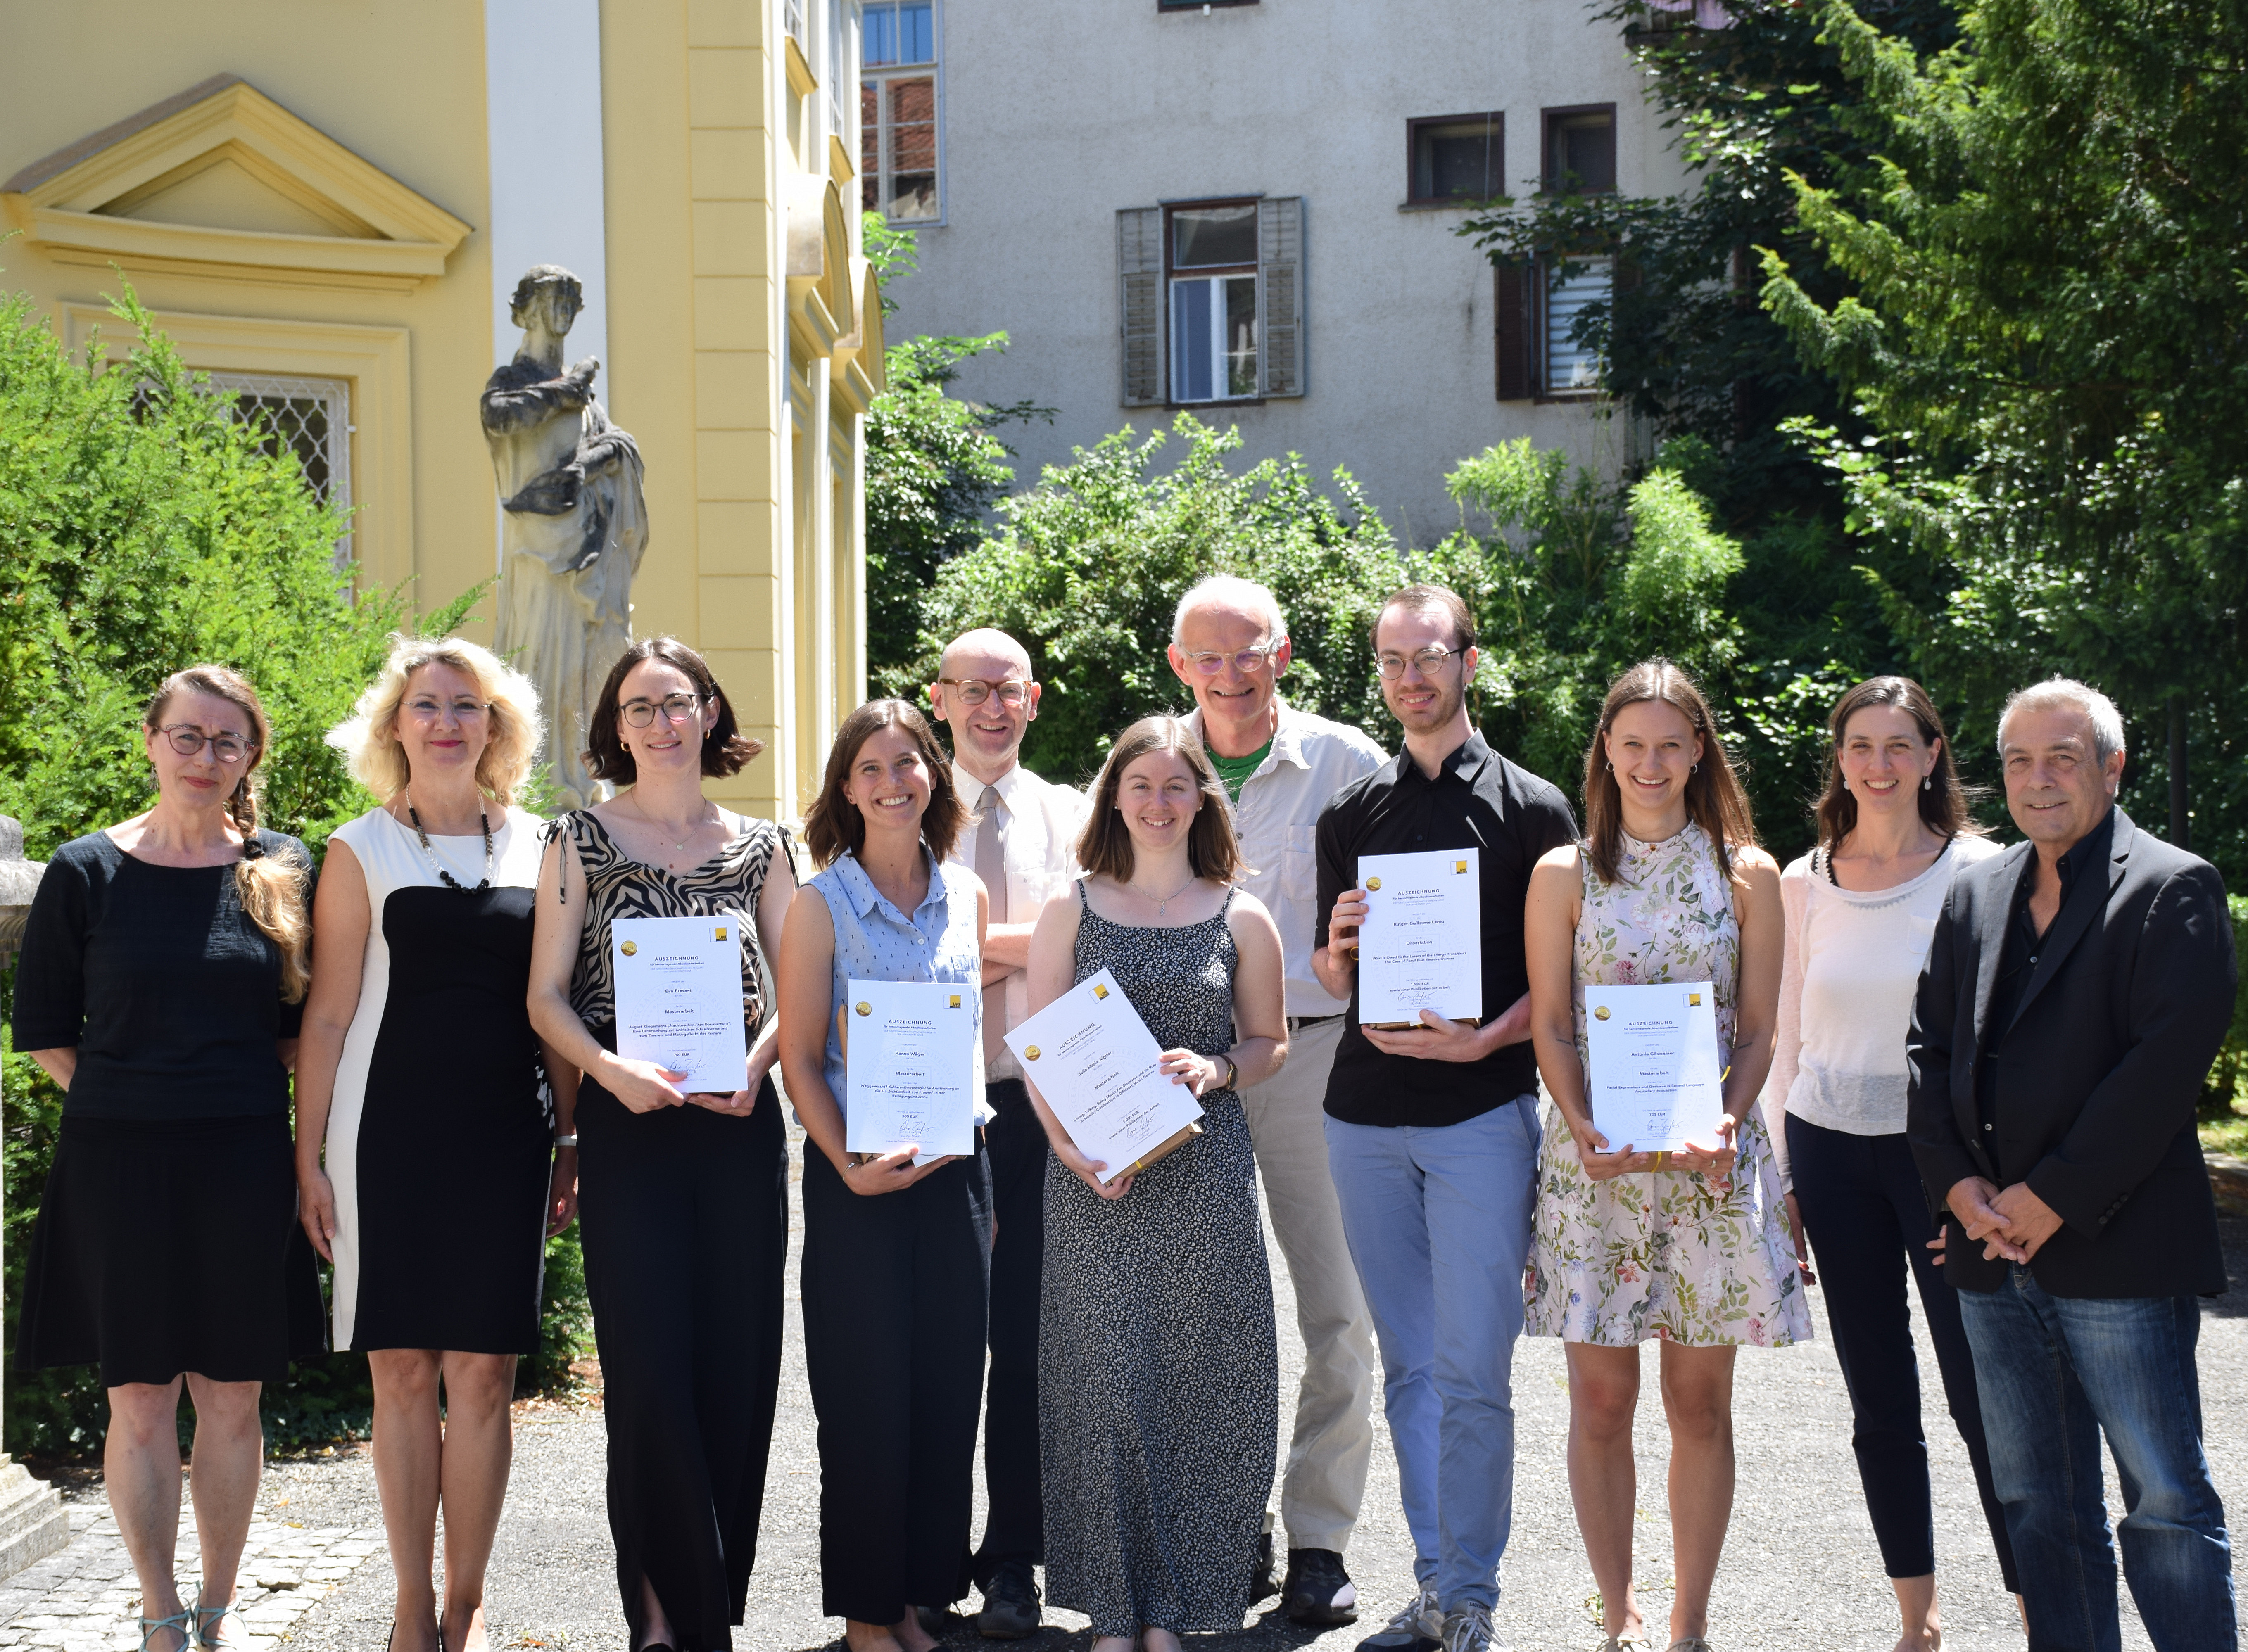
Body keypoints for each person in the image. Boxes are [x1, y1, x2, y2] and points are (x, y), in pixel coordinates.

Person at [1908, 676, 2238, 1651]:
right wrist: (1961, 1190)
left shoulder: (2173, 884)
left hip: (2118, 1253)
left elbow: (2164, 1066)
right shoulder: (1977, 889)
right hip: (1991, 1257)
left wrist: (2050, 1195)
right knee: (2039, 1505)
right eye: (2018, 760)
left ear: (2112, 765)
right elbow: (1929, 1049)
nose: (2039, 780)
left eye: (2061, 757)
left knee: (2165, 1504)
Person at [13, 666, 321, 1652]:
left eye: (227, 742)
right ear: (151, 742)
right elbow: (50, 1031)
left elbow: (298, 1028)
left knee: (232, 1393)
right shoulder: (83, 870)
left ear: (249, 758)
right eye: (187, 737)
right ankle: (158, 1611)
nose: (206, 758)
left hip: (242, 1161)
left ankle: (221, 1609)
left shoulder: (281, 864)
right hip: (119, 1165)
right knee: (139, 1395)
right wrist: (137, 1098)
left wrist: (209, 1097)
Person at [294, 634, 574, 1652]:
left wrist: (573, 1137)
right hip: (385, 1138)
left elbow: (555, 1009)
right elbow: (326, 1016)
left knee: (486, 1375)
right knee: (403, 1371)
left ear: (496, 727)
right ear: (395, 726)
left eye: (468, 705)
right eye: (427, 705)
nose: (448, 721)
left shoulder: (544, 845)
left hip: (507, 1137)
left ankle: (469, 1601)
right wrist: (308, 1158)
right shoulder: (357, 848)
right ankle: (412, 1604)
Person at [1312, 586, 1578, 1652]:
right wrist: (1337, 949)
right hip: (1364, 1120)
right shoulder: (1352, 817)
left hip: (1481, 1114)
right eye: (1392, 660)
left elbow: (1564, 990)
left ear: (1471, 660)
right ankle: (1434, 1586)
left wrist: (1486, 1039)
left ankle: (1470, 1598)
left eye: (1429, 657)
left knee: (1474, 1369)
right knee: (1410, 1369)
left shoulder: (1534, 812)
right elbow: (1337, 977)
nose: (1411, 678)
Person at [1523, 658, 1804, 1652]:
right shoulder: (1563, 872)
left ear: (1698, 752)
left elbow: (1761, 1028)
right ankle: (1617, 1610)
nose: (1650, 762)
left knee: (1699, 1401)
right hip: (1594, 1164)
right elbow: (1552, 1026)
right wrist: (1584, 1121)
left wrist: (1728, 1116)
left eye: (1669, 744)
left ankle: (1689, 1619)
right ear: (1606, 748)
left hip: (1711, 1165)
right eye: (1631, 743)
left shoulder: (1748, 872)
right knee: (1601, 1399)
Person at [528, 638, 795, 1652]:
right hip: (629, 1129)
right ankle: (660, 1614)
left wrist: (760, 1062)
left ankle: (706, 1595)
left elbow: (795, 987)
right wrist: (608, 1075)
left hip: (735, 1129)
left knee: (737, 1362)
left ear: (712, 713)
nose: (662, 722)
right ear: (618, 725)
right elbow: (544, 996)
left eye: (678, 702)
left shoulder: (764, 845)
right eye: (641, 707)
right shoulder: (578, 839)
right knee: (647, 1370)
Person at [1762, 676, 2018, 1650]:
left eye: (1898, 745)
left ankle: (2039, 1601)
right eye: (1860, 745)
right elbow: (1786, 1039)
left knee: (1984, 1391)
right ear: (1840, 757)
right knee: (1881, 1398)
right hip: (1830, 1156)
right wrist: (1786, 1174)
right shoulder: (1802, 879)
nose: (1878, 764)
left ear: (1932, 754)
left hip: (1946, 1166)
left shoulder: (1985, 871)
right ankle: (1919, 1616)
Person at [1025, 715, 1288, 1652]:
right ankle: (1111, 1609)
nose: (1159, 802)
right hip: (1098, 1186)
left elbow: (1270, 1043)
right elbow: (1042, 1051)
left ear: (1203, 799)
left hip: (1207, 1178)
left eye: (1178, 785)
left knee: (1202, 1385)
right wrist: (1067, 1150)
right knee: (1102, 1389)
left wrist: (1218, 1069)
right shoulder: (1072, 906)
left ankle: (1178, 1607)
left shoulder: (1240, 912)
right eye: (1141, 785)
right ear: (1114, 797)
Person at [1167, 576, 1383, 1626]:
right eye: (1206, 656)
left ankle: (1320, 1540)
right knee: (1201, 1309)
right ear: (1178, 666)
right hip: (1186, 1066)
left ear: (1282, 651)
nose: (1228, 672)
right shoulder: (1152, 762)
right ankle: (1222, 1525)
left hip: (1319, 1060)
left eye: (1246, 650)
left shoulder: (1350, 763)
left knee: (1336, 1306)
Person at [775, 698, 990, 1652]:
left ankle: (915, 1599)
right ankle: (869, 1613)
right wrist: (845, 1168)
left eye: (909, 761)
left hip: (957, 1176)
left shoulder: (969, 896)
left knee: (947, 1394)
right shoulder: (820, 905)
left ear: (933, 775)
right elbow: (800, 1056)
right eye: (871, 766)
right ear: (846, 787)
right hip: (857, 1179)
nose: (893, 779)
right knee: (866, 1399)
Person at [927, 628, 1088, 1639]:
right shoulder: (898, 795)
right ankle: (925, 1560)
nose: (992, 705)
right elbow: (882, 937)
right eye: (972, 689)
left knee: (1026, 1348)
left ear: (1032, 701)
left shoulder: (1074, 814)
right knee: (934, 1345)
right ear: (938, 697)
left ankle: (1014, 1560)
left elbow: (1089, 931)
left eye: (1010, 689)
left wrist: (956, 945)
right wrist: (1021, 944)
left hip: (1038, 1110)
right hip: (926, 1107)